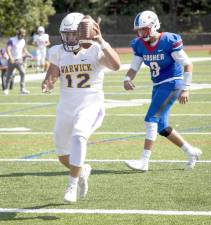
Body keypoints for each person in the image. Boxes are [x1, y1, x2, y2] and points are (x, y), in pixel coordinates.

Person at [41, 12, 120, 203]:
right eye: (65, 34)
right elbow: (52, 74)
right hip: (66, 106)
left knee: (79, 135)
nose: (68, 38)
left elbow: (116, 65)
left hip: (90, 104)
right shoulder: (58, 51)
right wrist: (48, 83)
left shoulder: (94, 49)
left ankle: (72, 184)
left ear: (82, 33)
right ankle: (82, 169)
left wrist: (101, 40)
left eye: (72, 34)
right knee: (62, 155)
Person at [123, 10, 202, 172]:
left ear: (154, 26)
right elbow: (134, 67)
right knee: (162, 127)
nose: (141, 32)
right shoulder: (139, 44)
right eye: (139, 29)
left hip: (173, 83)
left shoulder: (167, 40)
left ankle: (144, 161)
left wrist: (186, 88)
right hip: (158, 85)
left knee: (150, 118)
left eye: (144, 29)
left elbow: (188, 64)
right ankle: (191, 152)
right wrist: (127, 79)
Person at [4, 28, 32, 95]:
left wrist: (29, 54)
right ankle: (6, 89)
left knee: (23, 73)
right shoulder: (12, 40)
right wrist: (11, 58)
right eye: (21, 35)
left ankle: (22, 89)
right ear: (18, 34)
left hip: (19, 60)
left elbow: (24, 49)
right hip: (12, 60)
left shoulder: (23, 41)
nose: (22, 37)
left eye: (23, 36)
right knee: (9, 75)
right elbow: (8, 50)